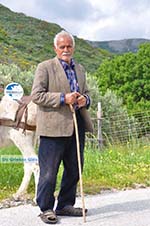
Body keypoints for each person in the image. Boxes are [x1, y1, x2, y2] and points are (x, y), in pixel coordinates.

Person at [31, 30, 93, 224]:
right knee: (49, 171)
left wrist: (85, 100)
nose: (66, 50)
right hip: (52, 128)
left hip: (77, 127)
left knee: (74, 168)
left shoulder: (80, 69)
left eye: (69, 46)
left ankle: (65, 205)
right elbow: (37, 96)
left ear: (73, 47)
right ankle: (46, 208)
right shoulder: (45, 67)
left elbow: (87, 93)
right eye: (62, 47)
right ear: (55, 48)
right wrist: (62, 98)